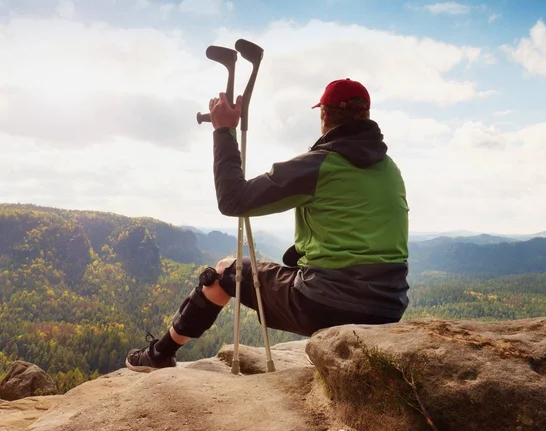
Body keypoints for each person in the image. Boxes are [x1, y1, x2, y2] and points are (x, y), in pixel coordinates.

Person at [125, 78, 410, 372]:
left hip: (329, 305)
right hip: (389, 307)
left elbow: (233, 199)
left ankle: (160, 354)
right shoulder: (390, 169)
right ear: (366, 116)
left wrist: (223, 131)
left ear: (324, 114)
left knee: (225, 271)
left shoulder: (320, 164)